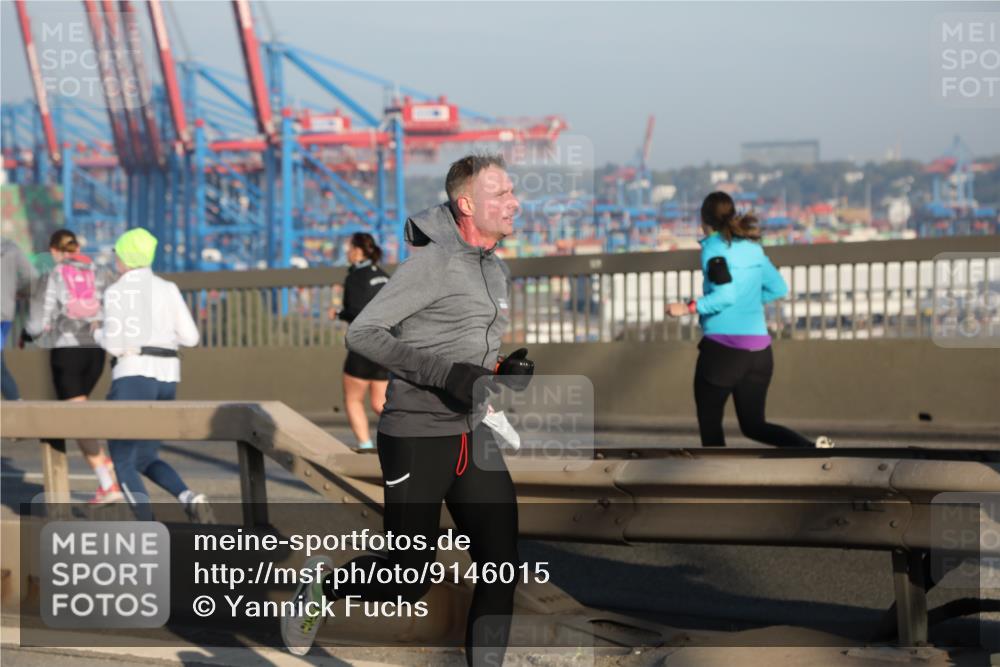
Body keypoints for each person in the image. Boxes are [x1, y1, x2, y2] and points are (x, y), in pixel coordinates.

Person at [282, 154, 534, 665]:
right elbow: (364, 333)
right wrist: (446, 374)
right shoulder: (431, 264)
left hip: (473, 433)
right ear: (467, 204)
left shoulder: (495, 266)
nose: (515, 202)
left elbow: (457, 341)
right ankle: (321, 589)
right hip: (418, 433)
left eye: (513, 192)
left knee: (500, 568)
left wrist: (501, 367)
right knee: (406, 577)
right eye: (501, 194)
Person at [667, 192, 833, 450]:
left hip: (723, 352)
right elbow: (778, 288)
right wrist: (750, 304)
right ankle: (811, 450)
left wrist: (687, 307)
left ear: (703, 220)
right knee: (754, 425)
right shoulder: (753, 249)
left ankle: (716, 480)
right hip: (759, 354)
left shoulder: (713, 250)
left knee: (710, 423)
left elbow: (724, 295)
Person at [96, 228, 215, 522]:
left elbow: (112, 344)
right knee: (146, 457)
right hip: (167, 378)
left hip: (132, 376)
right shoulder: (168, 288)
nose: (115, 261)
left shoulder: (116, 292)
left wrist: (95, 332)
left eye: (118, 255)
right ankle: (189, 497)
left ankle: (146, 525)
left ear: (124, 257)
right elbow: (190, 337)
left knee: (123, 459)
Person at [24, 230, 123, 503]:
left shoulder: (54, 275)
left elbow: (37, 322)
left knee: (77, 416)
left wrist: (31, 332)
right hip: (95, 352)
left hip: (67, 351)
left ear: (54, 250)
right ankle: (107, 470)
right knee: (81, 411)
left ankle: (108, 478)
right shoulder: (99, 272)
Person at [328, 233, 390, 452]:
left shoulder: (355, 277)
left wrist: (337, 313)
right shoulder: (384, 276)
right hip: (385, 346)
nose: (347, 252)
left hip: (363, 346)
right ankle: (403, 440)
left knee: (353, 400)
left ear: (358, 250)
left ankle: (365, 447)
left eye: (349, 248)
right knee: (380, 404)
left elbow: (356, 311)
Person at [1, 238, 37, 400]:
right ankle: (16, 401)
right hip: (4, 313)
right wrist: (17, 291)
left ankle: (16, 401)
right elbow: (32, 277)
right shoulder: (10, 247)